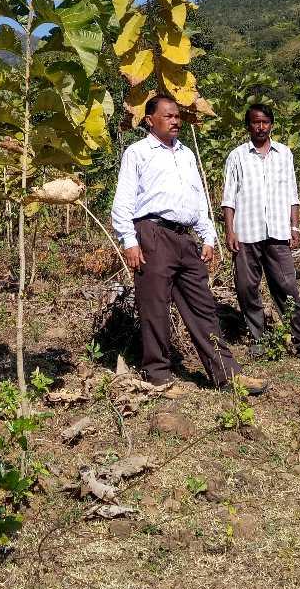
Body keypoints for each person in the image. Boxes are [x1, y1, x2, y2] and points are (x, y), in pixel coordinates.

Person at [112, 95, 265, 395]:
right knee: (155, 307)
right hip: (152, 233)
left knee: (203, 306)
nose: (175, 121)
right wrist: (129, 242)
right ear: (149, 120)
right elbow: (123, 201)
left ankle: (227, 375)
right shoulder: (138, 153)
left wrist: (207, 235)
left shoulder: (186, 154)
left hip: (185, 238)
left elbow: (197, 198)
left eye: (177, 116)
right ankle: (158, 376)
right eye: (168, 116)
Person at [220, 104, 300, 362]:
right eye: (256, 122)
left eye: (265, 122)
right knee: (246, 287)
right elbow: (228, 198)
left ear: (271, 125)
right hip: (246, 233)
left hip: (278, 232)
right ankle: (260, 340)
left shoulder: (284, 154)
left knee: (287, 287)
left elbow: (292, 194)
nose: (261, 127)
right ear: (248, 126)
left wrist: (295, 226)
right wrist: (230, 231)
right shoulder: (237, 156)